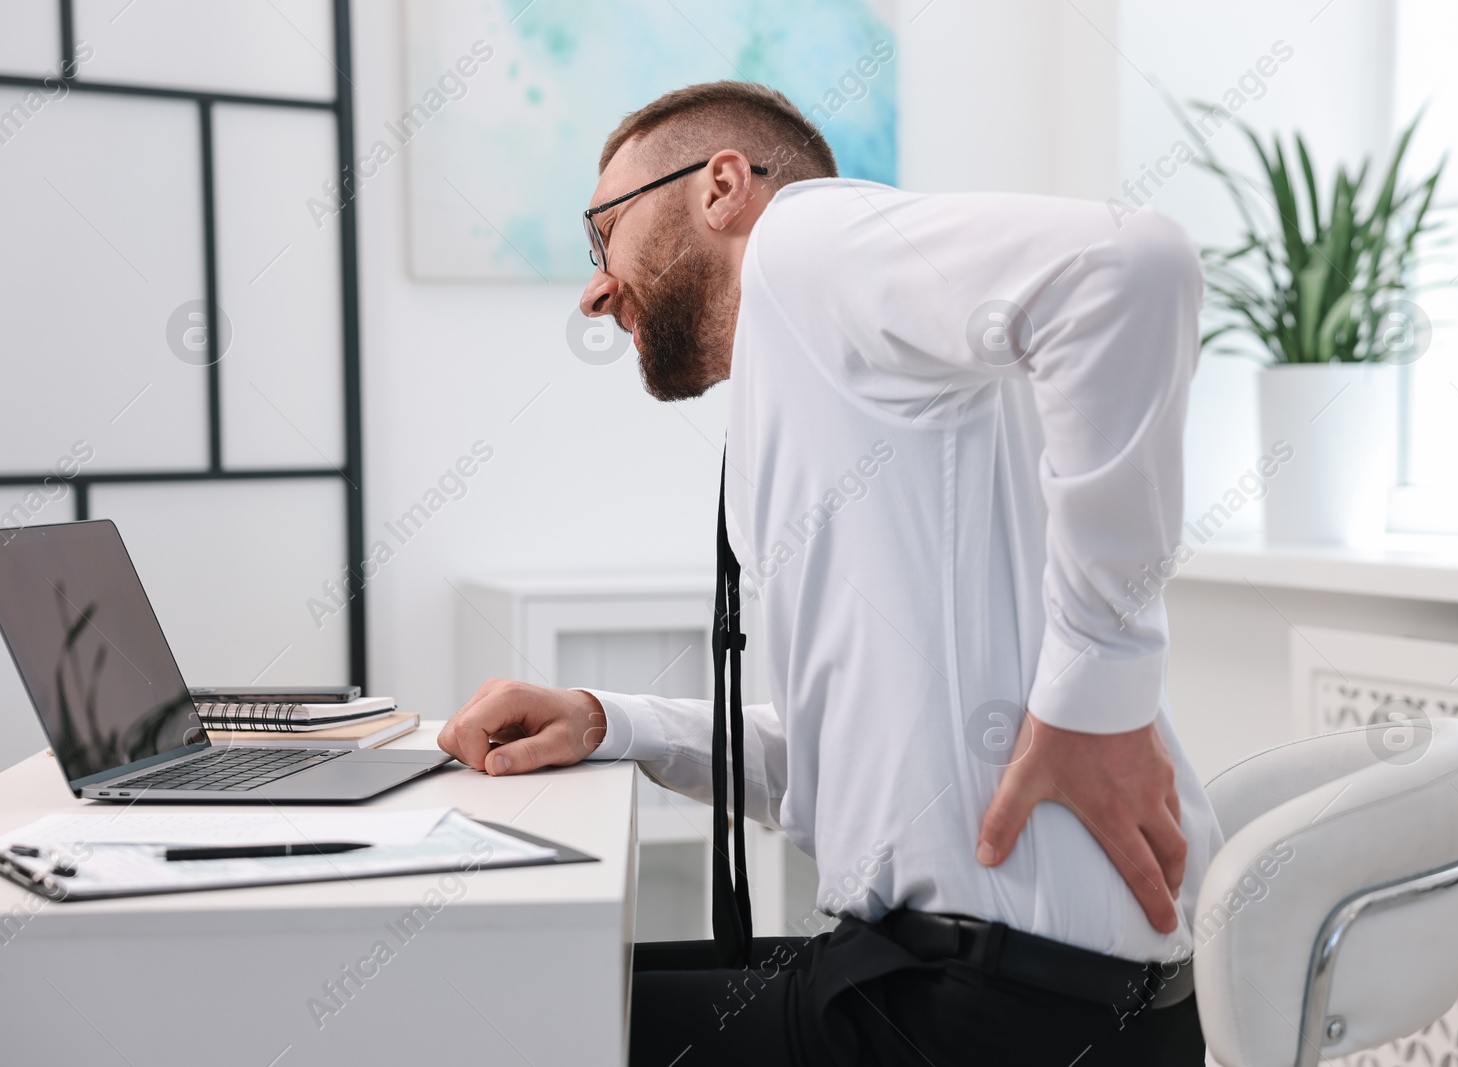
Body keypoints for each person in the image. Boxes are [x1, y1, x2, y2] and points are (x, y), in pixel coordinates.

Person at [439, 80, 1224, 1065]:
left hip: (989, 1011)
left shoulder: (803, 246)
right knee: (554, 993)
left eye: (605, 236)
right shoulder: (828, 379)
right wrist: (609, 720)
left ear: (722, 185)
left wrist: (1097, 701)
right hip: (1003, 996)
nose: (594, 290)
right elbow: (832, 771)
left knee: (485, 1014)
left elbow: (1131, 265)